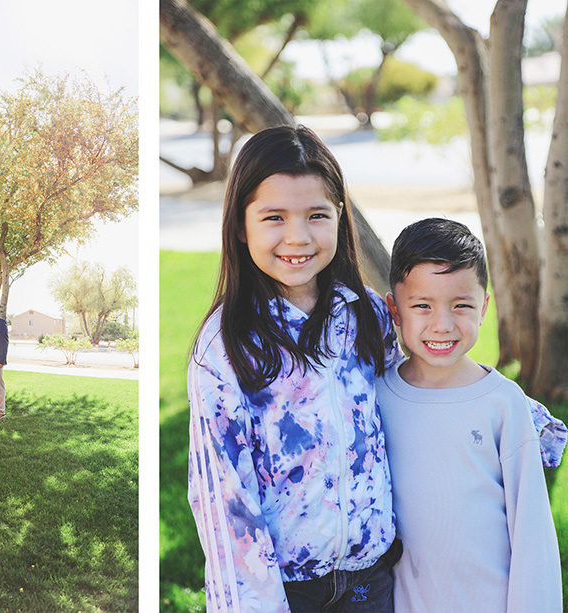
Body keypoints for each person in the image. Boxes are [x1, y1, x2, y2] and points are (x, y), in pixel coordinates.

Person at [187, 126, 405, 612]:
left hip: (372, 573)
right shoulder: (226, 345)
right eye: (274, 217)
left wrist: (509, 416)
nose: (297, 237)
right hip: (287, 588)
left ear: (339, 217)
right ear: (241, 226)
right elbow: (224, 498)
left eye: (316, 216)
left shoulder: (366, 315)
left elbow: (419, 390)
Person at [377, 218, 565, 612]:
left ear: (484, 307)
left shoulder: (503, 404)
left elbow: (532, 535)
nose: (442, 325)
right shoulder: (376, 398)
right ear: (395, 309)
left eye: (461, 305)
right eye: (422, 305)